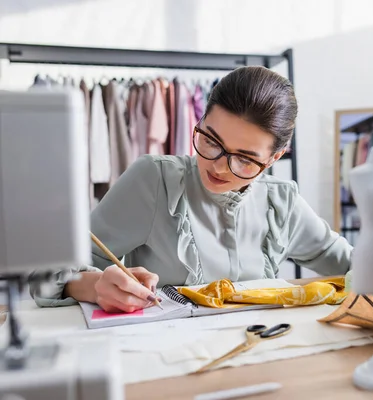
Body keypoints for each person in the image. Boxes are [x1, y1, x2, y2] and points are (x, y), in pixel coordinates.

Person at [30, 66, 352, 313]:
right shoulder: (155, 181)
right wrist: (96, 285)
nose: (219, 166)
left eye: (244, 159)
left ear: (274, 157)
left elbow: (355, 265)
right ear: (200, 120)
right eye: (211, 141)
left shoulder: (281, 204)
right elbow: (47, 271)